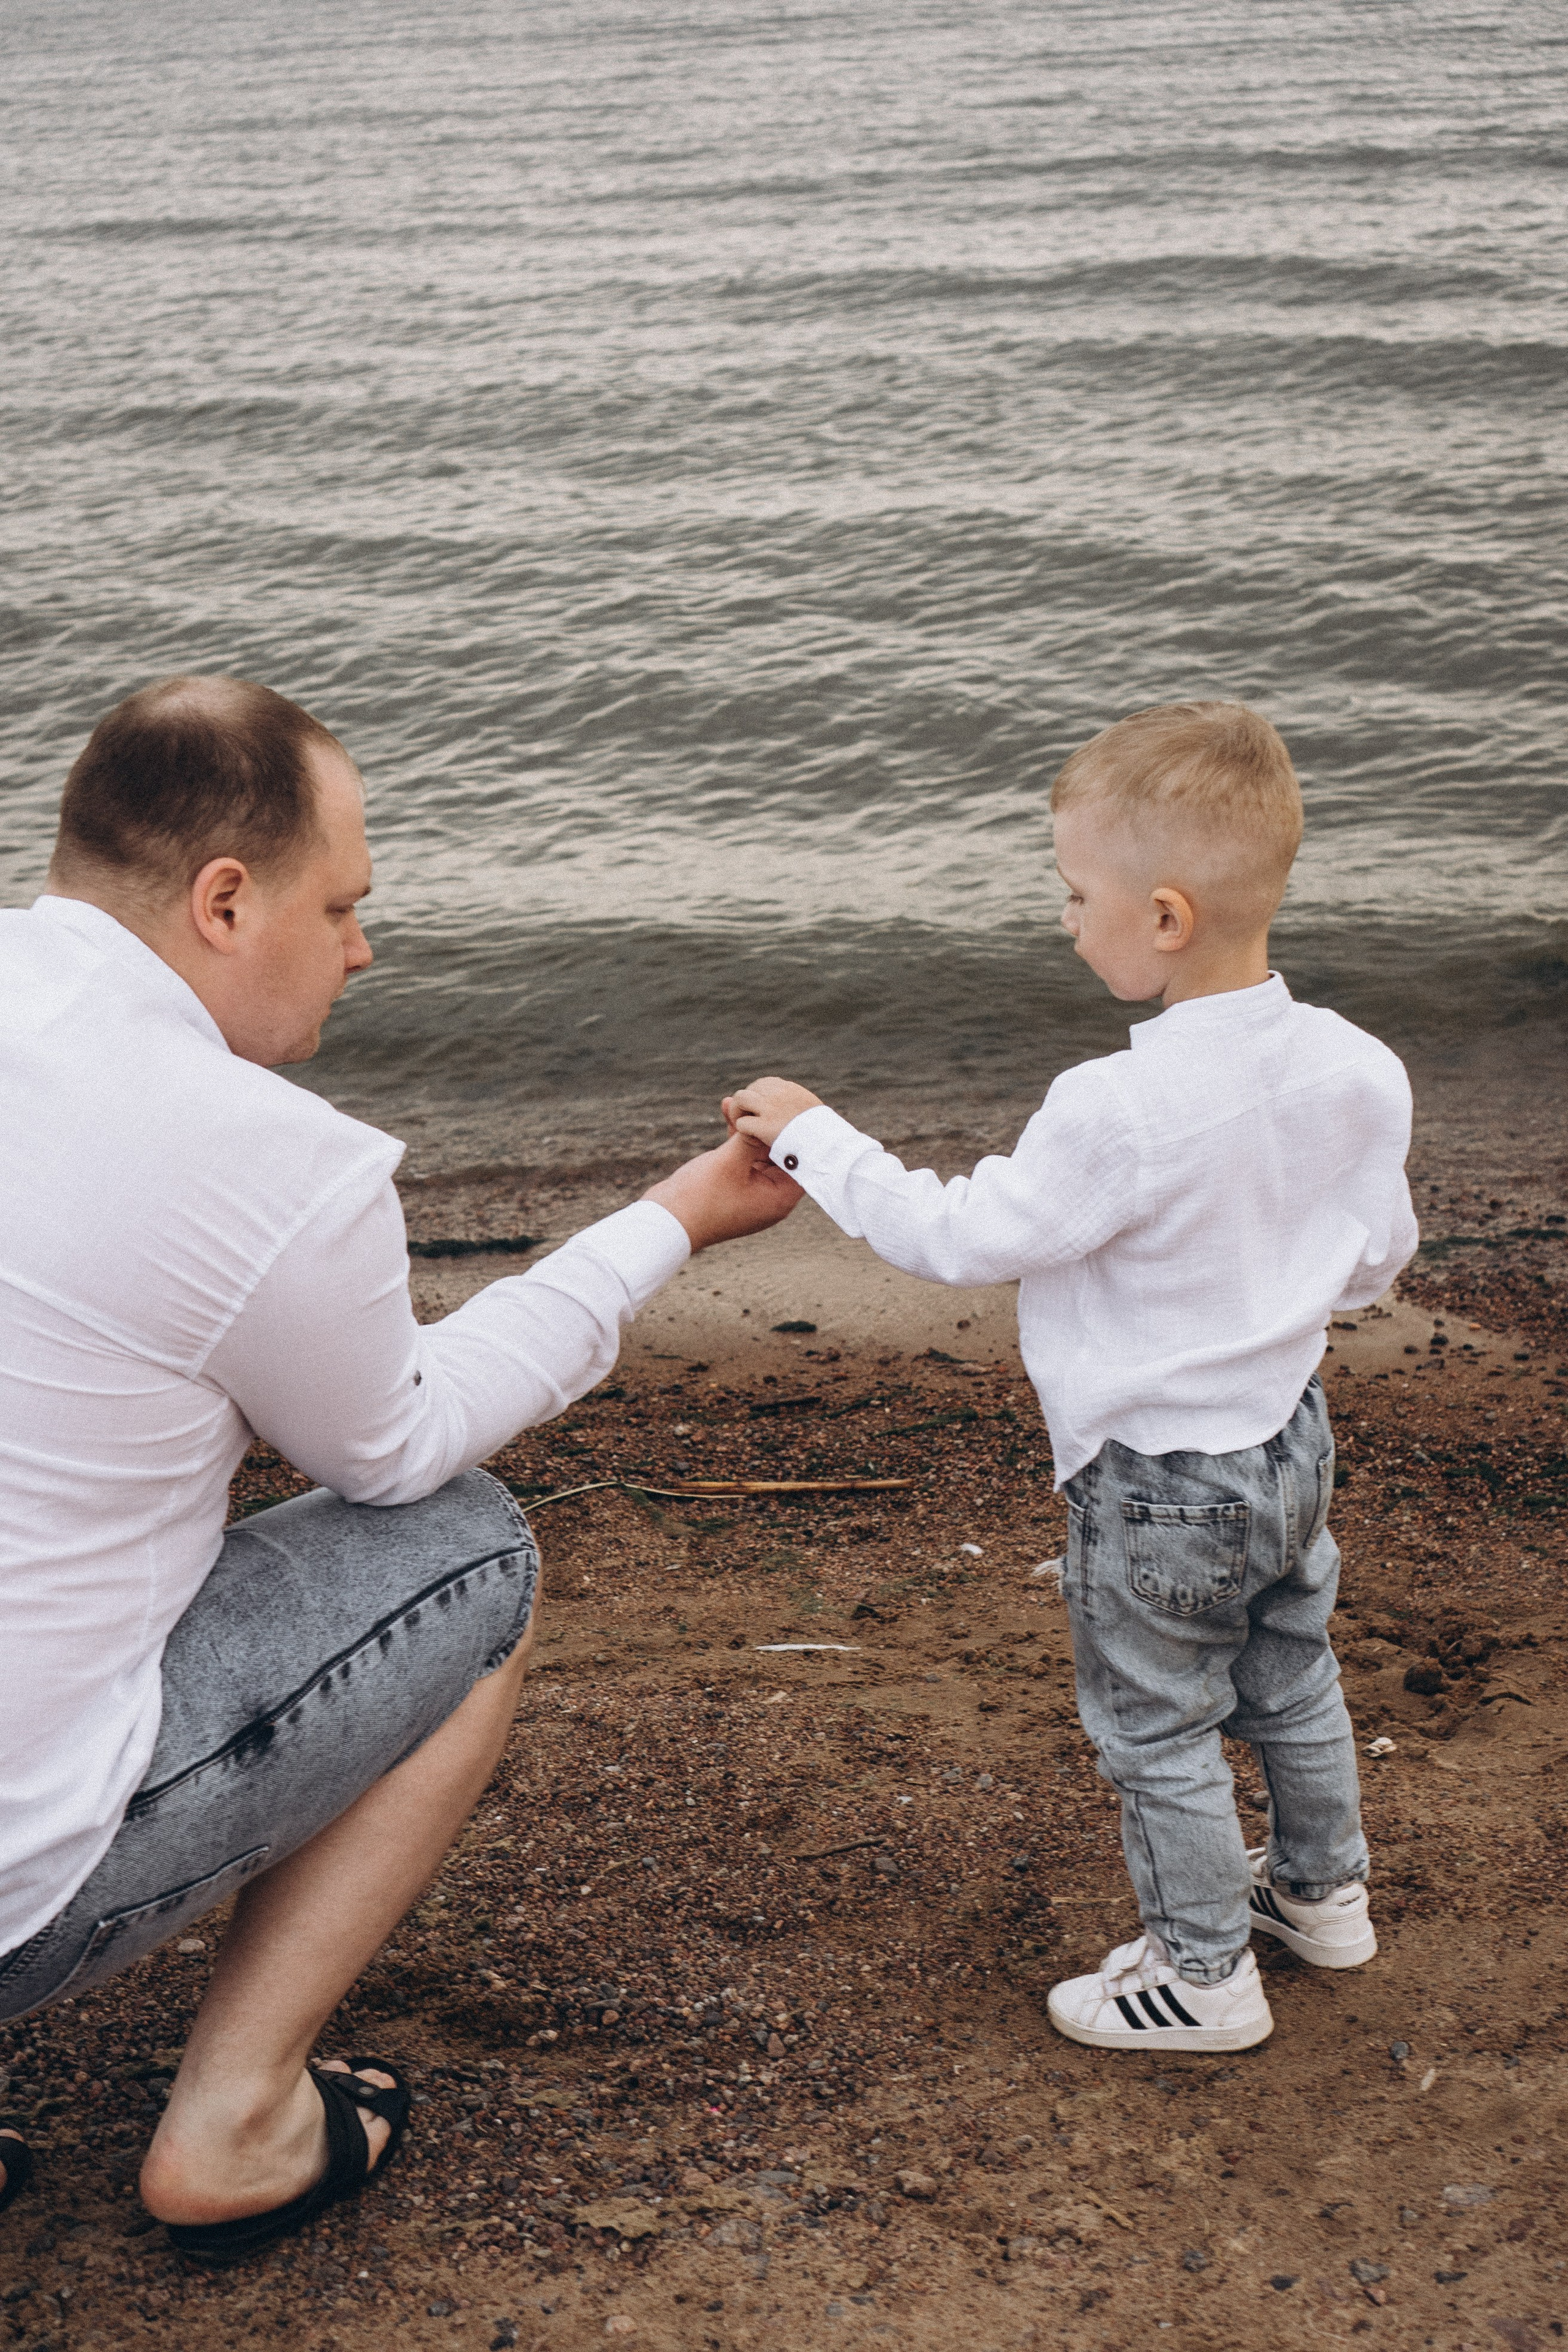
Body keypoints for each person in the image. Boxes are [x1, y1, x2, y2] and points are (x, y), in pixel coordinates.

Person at [0, 675, 801, 2258]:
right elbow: (398, 1445)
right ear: (226, 902)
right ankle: (235, 2118)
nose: (363, 950)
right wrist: (673, 1222)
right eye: (344, 906)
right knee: (468, 1553)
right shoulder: (262, 1160)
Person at [723, 700, 1418, 2055]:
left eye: (1071, 894)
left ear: (1162, 917)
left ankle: (1202, 1978)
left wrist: (818, 1142)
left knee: (1156, 1728)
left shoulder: (1116, 1107)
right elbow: (1371, 1258)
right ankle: (1324, 1901)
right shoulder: (1352, 1063)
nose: (1062, 920)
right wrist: (1269, 1307)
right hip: (1288, 1439)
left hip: (1159, 1475)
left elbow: (960, 1236)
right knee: (1288, 1675)